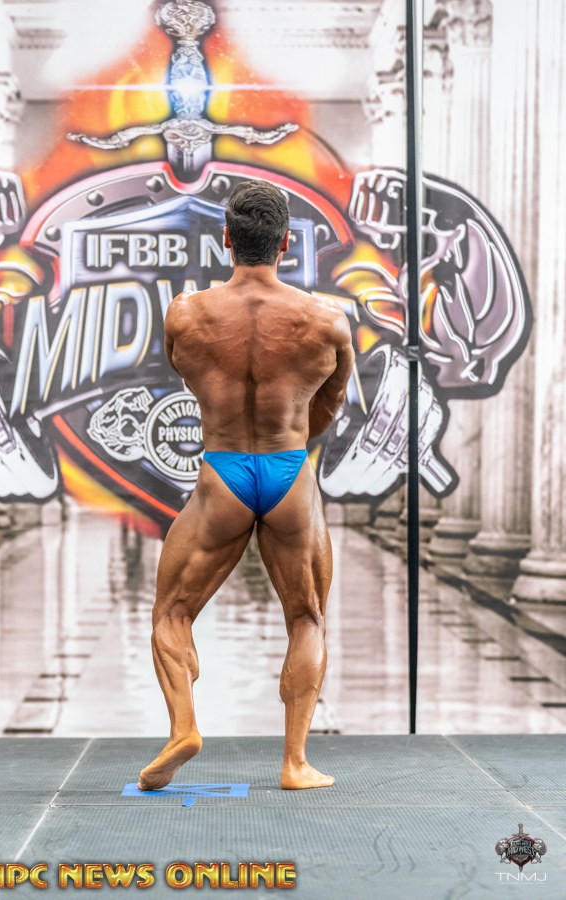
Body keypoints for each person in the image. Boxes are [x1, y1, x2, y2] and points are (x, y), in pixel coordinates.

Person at [137, 180, 354, 791]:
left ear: (226, 239)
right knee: (306, 618)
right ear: (286, 243)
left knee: (172, 613)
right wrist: (286, 436)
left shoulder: (186, 313)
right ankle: (295, 764)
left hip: (223, 473)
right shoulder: (327, 321)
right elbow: (330, 403)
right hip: (289, 473)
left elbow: (186, 372)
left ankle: (183, 728)